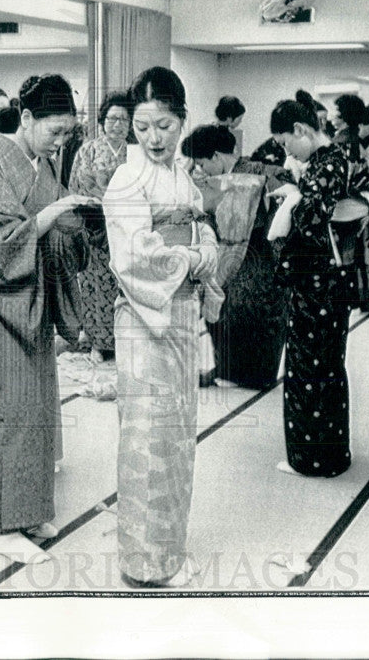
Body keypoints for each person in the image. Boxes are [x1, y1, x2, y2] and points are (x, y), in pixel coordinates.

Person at [0, 74, 93, 563]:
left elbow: (56, 235)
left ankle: (31, 511)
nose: (61, 143)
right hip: (0, 304)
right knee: (14, 413)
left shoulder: (41, 163)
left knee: (38, 411)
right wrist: (54, 211)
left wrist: (77, 223)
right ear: (27, 118)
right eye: (53, 131)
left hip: (33, 301)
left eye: (67, 135)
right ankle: (4, 527)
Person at [104, 66, 221, 588]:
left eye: (165, 126)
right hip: (145, 318)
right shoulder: (128, 177)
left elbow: (204, 231)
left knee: (177, 435)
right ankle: (145, 561)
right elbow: (132, 254)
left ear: (183, 121)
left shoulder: (183, 176)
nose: (153, 138)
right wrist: (192, 259)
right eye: (143, 127)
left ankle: (169, 547)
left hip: (180, 313)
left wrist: (203, 253)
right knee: (147, 437)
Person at [267, 93, 358, 478]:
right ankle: (328, 454)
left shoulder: (330, 161)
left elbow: (311, 217)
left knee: (311, 369)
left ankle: (312, 459)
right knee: (321, 367)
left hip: (320, 281)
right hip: (322, 281)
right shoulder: (328, 161)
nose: (290, 152)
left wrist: (292, 196)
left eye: (288, 142)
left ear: (302, 130)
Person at [183, 123, 294, 389]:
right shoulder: (218, 181)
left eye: (201, 163)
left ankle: (254, 376)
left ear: (216, 157)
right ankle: (226, 370)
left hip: (260, 260)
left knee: (252, 312)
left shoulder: (264, 174)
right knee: (220, 308)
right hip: (227, 257)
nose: (200, 170)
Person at [68, 91, 133, 361]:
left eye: (123, 119)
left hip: (128, 227)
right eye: (111, 118)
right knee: (95, 283)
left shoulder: (136, 153)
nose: (117, 124)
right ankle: (97, 342)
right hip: (96, 227)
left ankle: (123, 342)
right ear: (102, 120)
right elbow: (77, 184)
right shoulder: (89, 150)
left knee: (125, 285)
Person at [331, 94, 369, 163]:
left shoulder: (341, 141)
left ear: (344, 114)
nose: (331, 114)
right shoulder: (353, 135)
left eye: (336, 110)